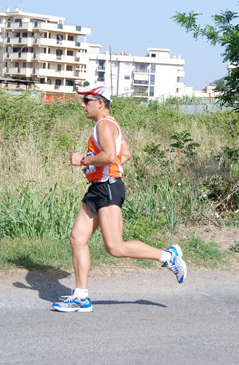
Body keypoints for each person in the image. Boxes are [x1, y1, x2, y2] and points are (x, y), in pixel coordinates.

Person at [53, 83, 187, 312]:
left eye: (86, 101)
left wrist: (84, 161)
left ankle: (168, 257)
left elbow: (109, 155)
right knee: (77, 238)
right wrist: (98, 169)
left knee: (114, 247)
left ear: (100, 103)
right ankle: (81, 296)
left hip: (107, 188)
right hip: (99, 186)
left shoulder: (104, 124)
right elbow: (124, 155)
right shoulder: (109, 123)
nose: (83, 105)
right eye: (82, 101)